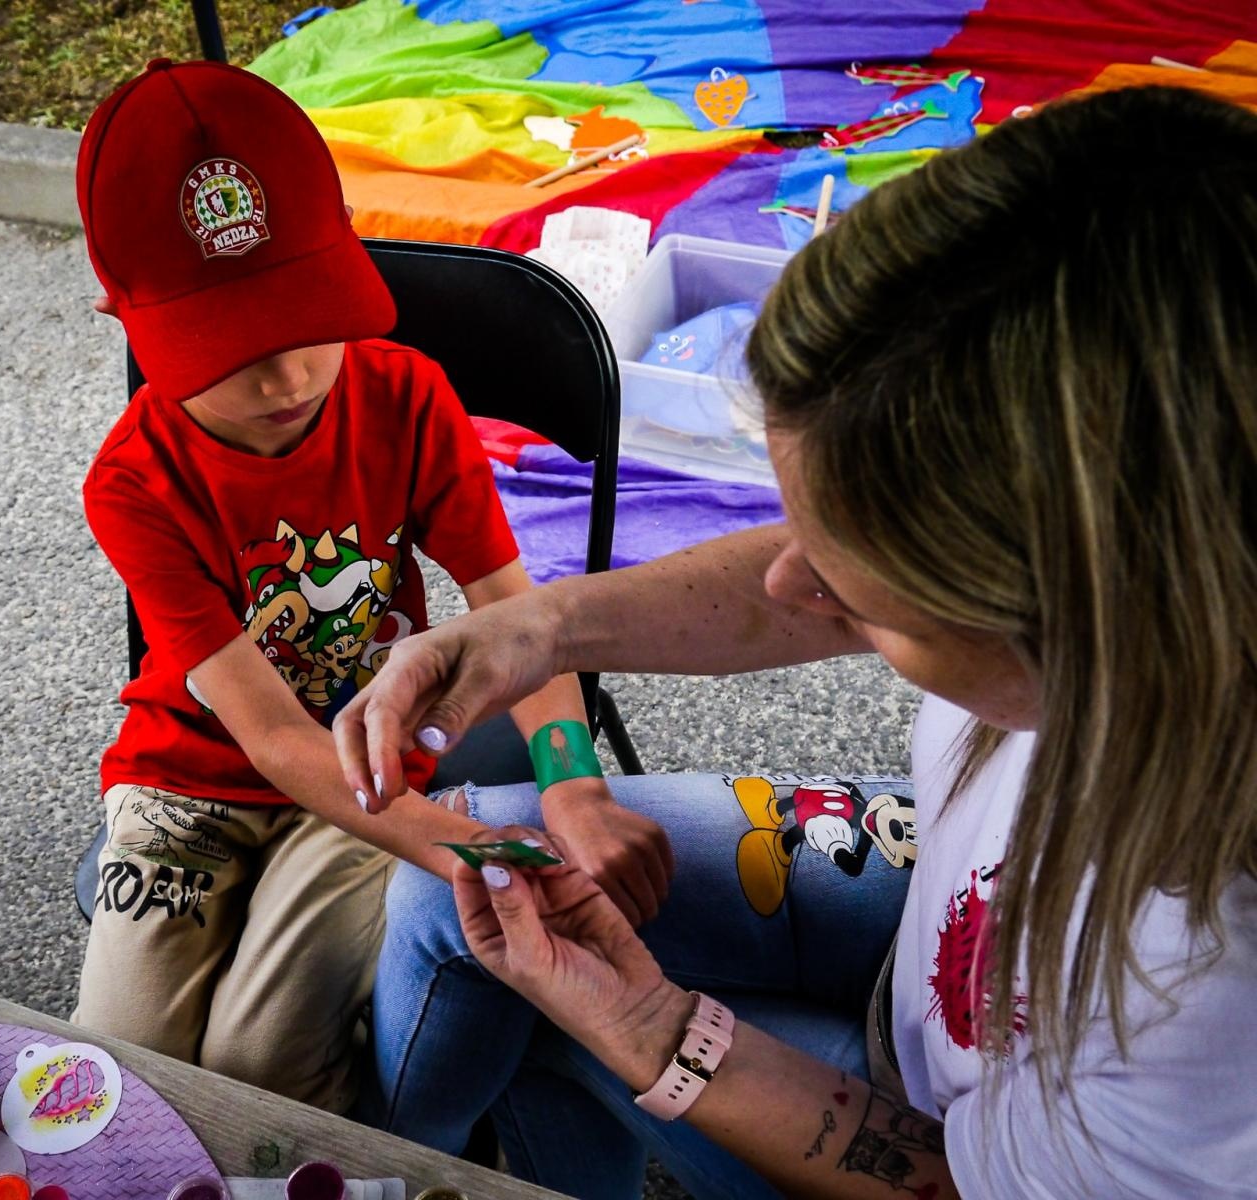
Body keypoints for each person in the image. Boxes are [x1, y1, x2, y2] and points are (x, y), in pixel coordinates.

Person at [335, 85, 1257, 1197]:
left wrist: (648, 1030)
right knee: (470, 890)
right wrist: (538, 626)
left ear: (1077, 614)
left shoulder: (1200, 988)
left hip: (952, 1138)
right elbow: (816, 577)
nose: (783, 579)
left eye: (858, 593)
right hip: (944, 939)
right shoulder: (1146, 574)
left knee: (536, 996)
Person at [69, 59, 672, 1114]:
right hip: (187, 786)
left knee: (260, 1062)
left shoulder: (406, 397)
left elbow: (516, 617)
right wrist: (466, 845)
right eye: (229, 348)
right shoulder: (132, 484)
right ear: (122, 314)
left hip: (370, 763)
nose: (287, 378)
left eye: (306, 315)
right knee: (122, 1068)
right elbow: (270, 736)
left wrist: (572, 782)